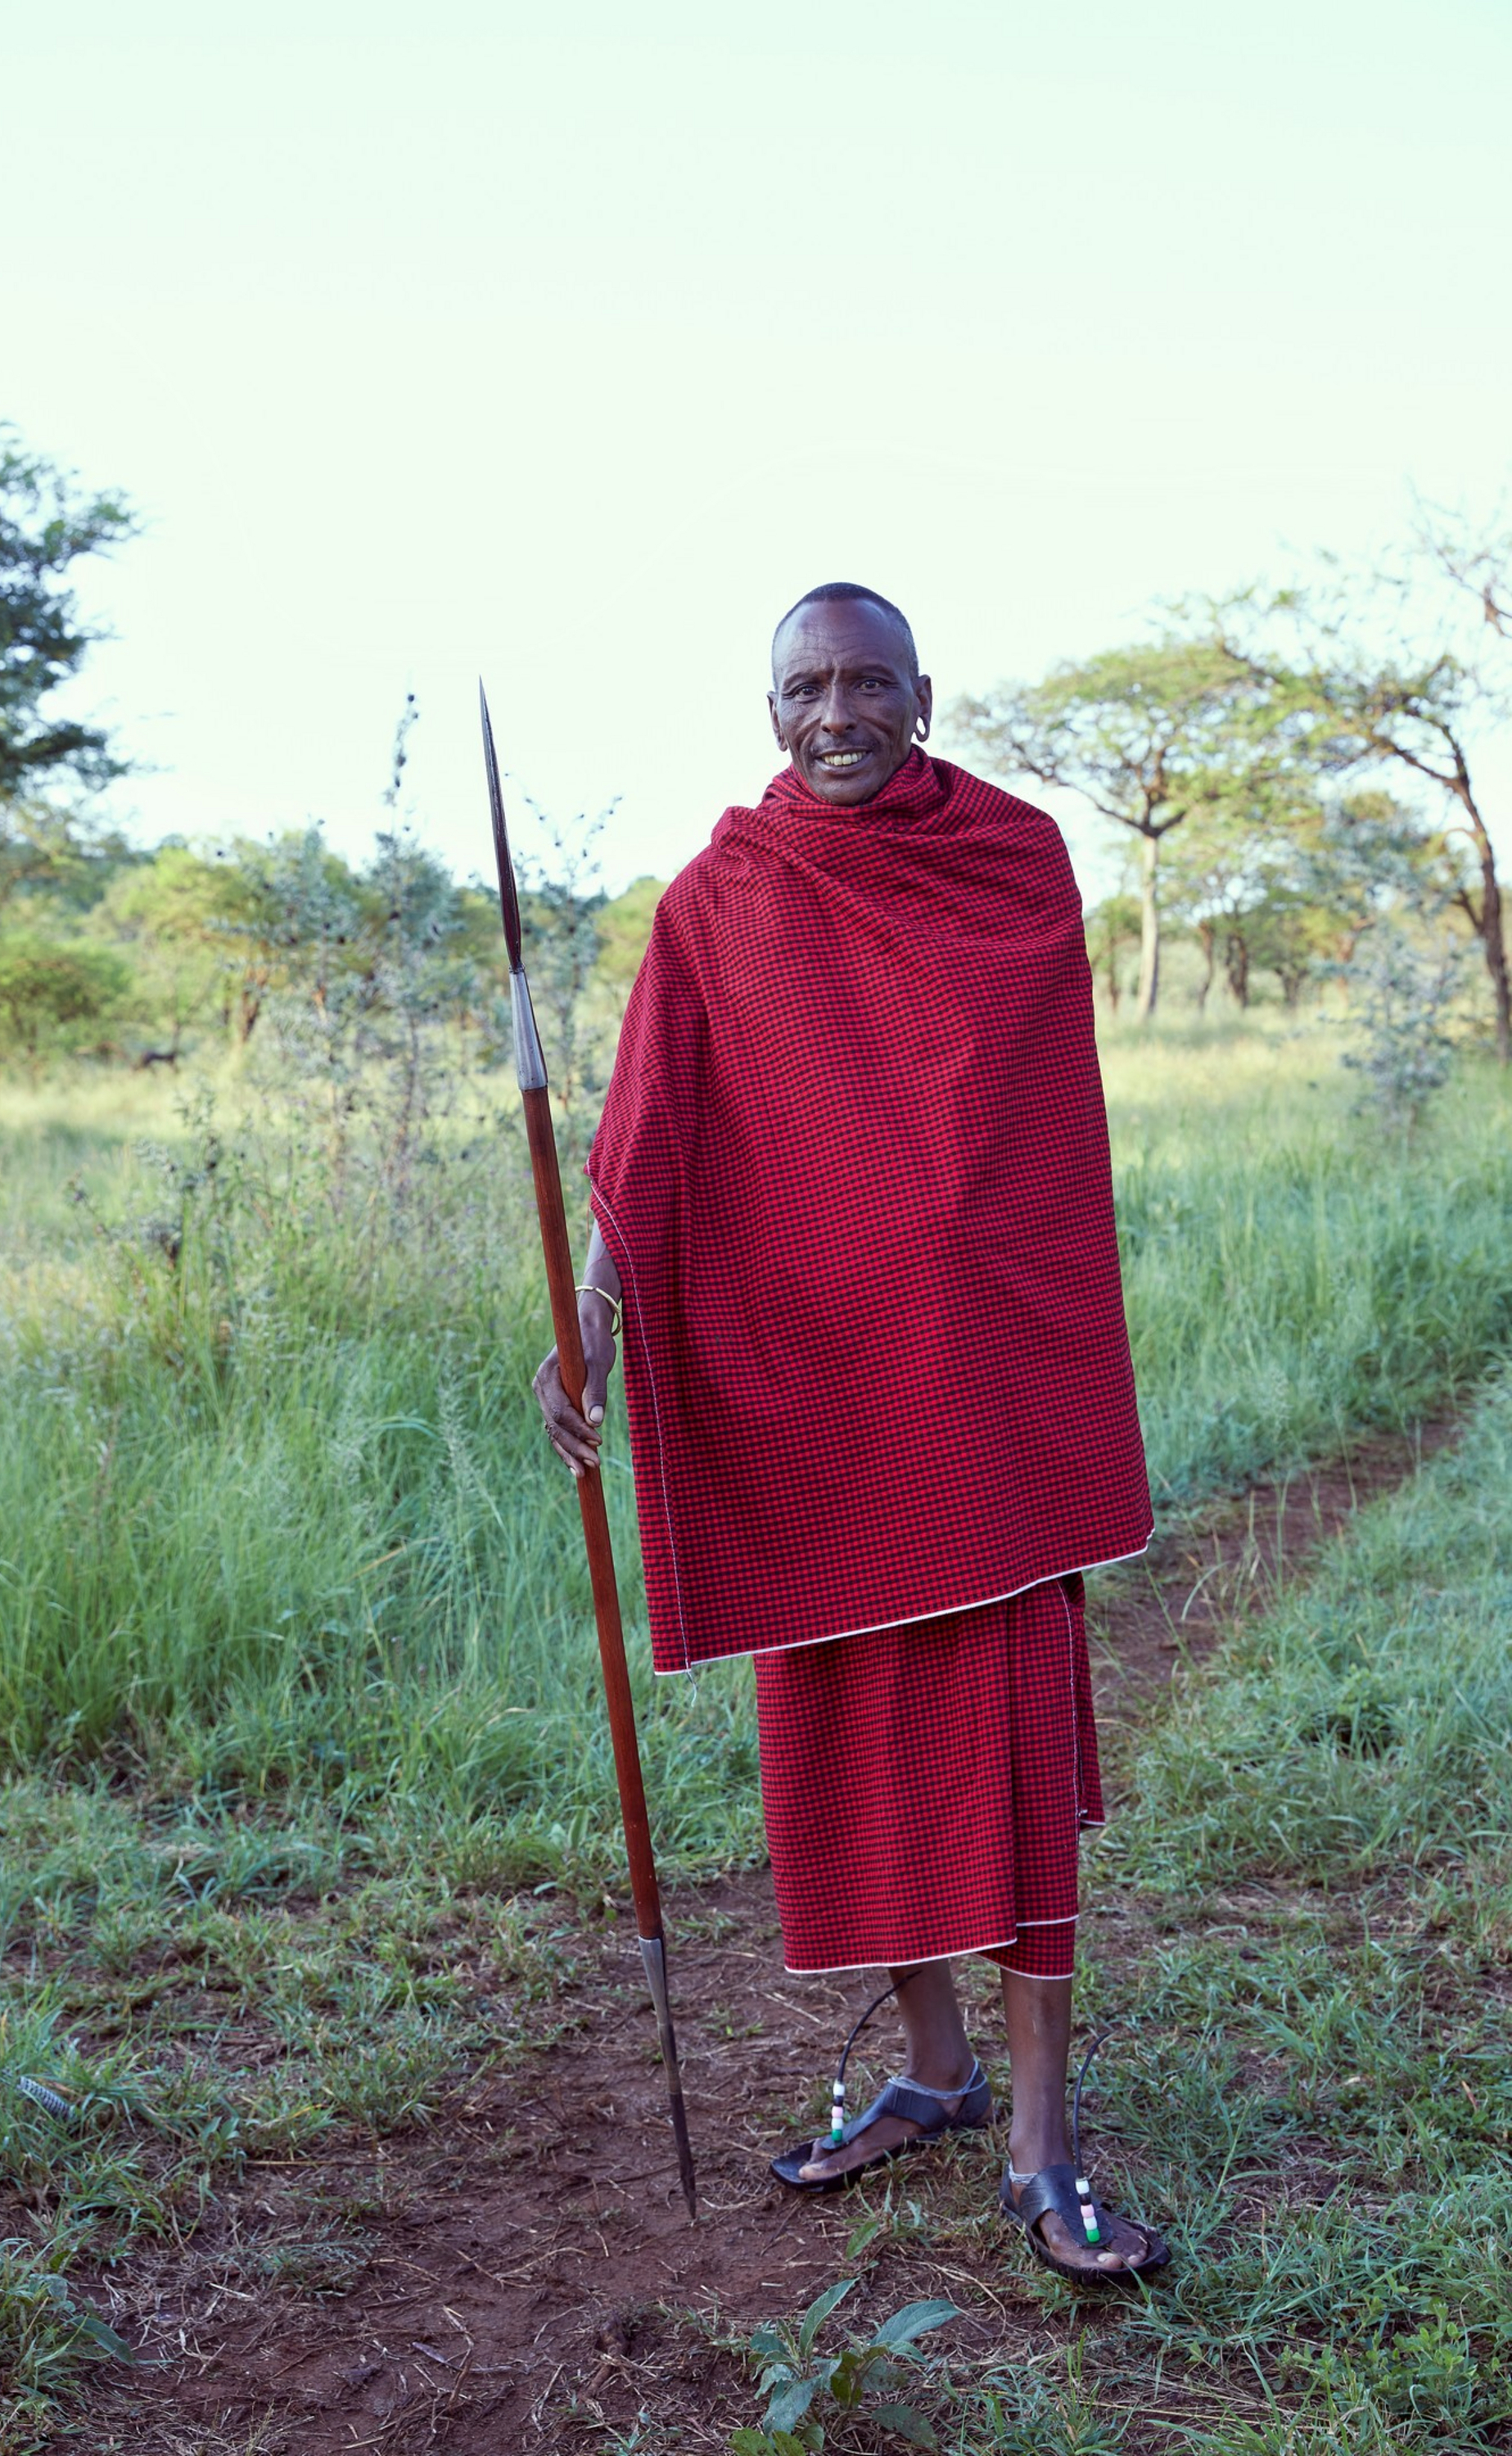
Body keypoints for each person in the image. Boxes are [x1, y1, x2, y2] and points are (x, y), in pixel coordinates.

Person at [534, 584, 1166, 2282]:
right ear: (770, 711)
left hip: (983, 1403)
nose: (838, 715)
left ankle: (1041, 2139)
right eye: (807, 687)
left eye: (869, 683)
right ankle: (936, 2072)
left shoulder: (1013, 864)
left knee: (1011, 1750)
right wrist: (591, 1315)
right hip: (810, 1399)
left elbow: (1024, 1138)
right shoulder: (720, 897)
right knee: (852, 1739)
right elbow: (651, 1124)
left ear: (921, 695)